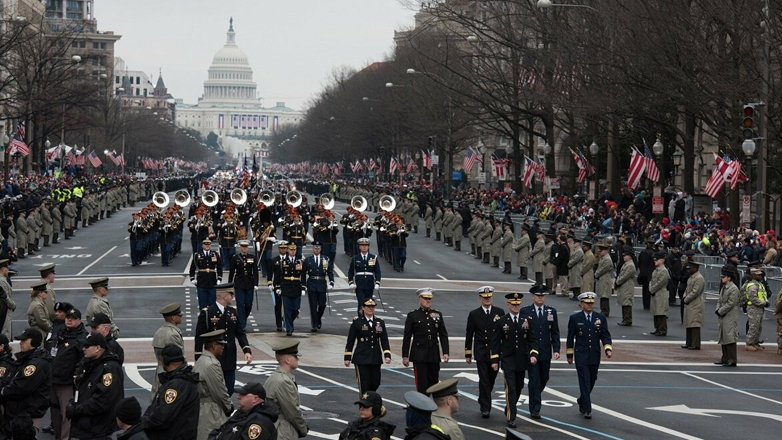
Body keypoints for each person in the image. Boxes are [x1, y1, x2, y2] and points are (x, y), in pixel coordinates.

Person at [490, 292, 538, 428]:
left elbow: (532, 339)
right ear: (508, 305)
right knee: (510, 388)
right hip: (507, 359)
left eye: (518, 305)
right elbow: (495, 342)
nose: (516, 307)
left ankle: (510, 407)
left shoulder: (526, 320)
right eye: (513, 304)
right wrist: (495, 360)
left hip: (522, 359)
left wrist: (534, 354)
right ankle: (512, 417)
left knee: (518, 387)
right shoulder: (501, 321)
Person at [195, 283, 253, 395]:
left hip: (230, 357)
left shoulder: (232, 312)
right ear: (224, 296)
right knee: (215, 389)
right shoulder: (208, 313)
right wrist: (198, 357)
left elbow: (240, 333)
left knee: (229, 389)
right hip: (214, 357)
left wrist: (246, 350)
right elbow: (199, 336)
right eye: (231, 295)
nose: (232, 298)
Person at [67, 332, 124, 440]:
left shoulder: (109, 368)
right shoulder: (89, 364)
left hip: (98, 428)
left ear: (98, 348)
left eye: (87, 346)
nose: (83, 349)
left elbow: (103, 400)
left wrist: (77, 409)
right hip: (85, 425)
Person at [566, 292, 613, 419]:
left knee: (592, 380)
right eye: (587, 303)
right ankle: (587, 409)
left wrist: (607, 348)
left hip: (594, 355)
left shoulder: (600, 318)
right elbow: (570, 338)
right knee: (584, 381)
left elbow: (605, 335)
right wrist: (569, 354)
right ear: (581, 304)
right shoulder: (575, 318)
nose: (590, 305)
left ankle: (582, 400)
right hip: (581, 355)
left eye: (592, 303)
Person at [1, 328, 52, 439]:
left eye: (24, 340)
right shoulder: (25, 358)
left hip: (28, 415)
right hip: (19, 413)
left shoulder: (36, 364)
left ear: (33, 342)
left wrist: (3, 391)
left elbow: (21, 387)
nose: (21, 343)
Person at [142, 344, 199, 440]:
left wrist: (142, 423)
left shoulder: (176, 385)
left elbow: (162, 416)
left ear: (167, 361)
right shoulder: (177, 380)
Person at [464, 286, 504, 418]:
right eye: (485, 297)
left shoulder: (499, 312)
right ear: (480, 298)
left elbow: (503, 333)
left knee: (491, 378)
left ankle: (483, 398)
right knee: (484, 380)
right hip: (481, 351)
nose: (487, 299)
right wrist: (468, 353)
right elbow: (469, 334)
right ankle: (485, 407)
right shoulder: (474, 314)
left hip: (495, 352)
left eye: (489, 297)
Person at [49, 306, 88, 440]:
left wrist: (76, 376)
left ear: (79, 321)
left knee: (67, 414)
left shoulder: (82, 338)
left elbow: (83, 360)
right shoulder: (60, 331)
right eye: (68, 318)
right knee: (55, 412)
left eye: (73, 319)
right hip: (53, 379)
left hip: (67, 382)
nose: (69, 321)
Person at [522, 285, 559, 419]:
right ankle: (535, 408)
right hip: (531, 352)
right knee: (534, 379)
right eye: (538, 296)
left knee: (544, 378)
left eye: (542, 296)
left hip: (545, 351)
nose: (540, 298)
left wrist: (556, 349)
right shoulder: (526, 311)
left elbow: (554, 332)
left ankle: (535, 394)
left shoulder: (551, 311)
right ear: (533, 297)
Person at [402, 288, 450, 394]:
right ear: (420, 299)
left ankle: (430, 404)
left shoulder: (437, 315)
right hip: (419, 353)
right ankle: (422, 405)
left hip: (433, 352)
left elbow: (443, 335)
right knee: (422, 383)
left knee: (434, 380)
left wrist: (445, 352)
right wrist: (405, 356)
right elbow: (407, 337)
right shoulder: (413, 316)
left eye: (429, 299)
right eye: (425, 299)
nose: (428, 301)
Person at [344, 298, 391, 394]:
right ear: (363, 308)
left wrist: (387, 354)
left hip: (375, 356)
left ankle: (369, 399)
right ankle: (365, 404)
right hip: (361, 356)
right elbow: (351, 340)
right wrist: (347, 356)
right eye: (368, 306)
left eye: (372, 306)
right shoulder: (357, 322)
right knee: (364, 384)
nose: (371, 308)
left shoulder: (379, 322)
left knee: (376, 382)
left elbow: (384, 339)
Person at [264, 340, 308, 439]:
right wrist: (303, 429)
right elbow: (293, 412)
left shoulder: (275, 377)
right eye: (295, 356)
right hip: (283, 431)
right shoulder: (284, 381)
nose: (297, 359)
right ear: (287, 360)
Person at [194, 330, 232, 440]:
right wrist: (228, 407)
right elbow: (219, 391)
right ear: (214, 346)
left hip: (201, 409)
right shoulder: (211, 364)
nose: (223, 347)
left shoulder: (201, 360)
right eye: (221, 344)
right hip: (211, 411)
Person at [209, 382, 278, 440]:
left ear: (255, 398)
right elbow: (219, 430)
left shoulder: (259, 422)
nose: (238, 397)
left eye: (243, 394)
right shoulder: (242, 413)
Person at [151, 302, 185, 398]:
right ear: (173, 318)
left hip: (161, 370)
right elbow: (179, 357)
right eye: (179, 315)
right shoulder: (172, 334)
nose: (181, 317)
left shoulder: (160, 331)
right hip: (171, 374)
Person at [228, 240, 259, 330]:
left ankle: (242, 319)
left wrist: (256, 284)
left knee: (248, 304)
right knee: (240, 304)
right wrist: (230, 284)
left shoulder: (252, 257)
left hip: (249, 282)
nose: (244, 248)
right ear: (240, 247)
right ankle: (242, 324)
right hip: (239, 283)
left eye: (246, 247)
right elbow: (232, 272)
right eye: (243, 247)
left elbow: (255, 271)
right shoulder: (235, 258)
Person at [304, 242, 334, 332]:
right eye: (315, 248)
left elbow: (330, 271)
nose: (316, 250)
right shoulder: (308, 260)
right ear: (313, 249)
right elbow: (303, 273)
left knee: (322, 304)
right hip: (312, 283)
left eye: (318, 248)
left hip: (321, 283)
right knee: (313, 305)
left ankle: (318, 317)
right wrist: (303, 285)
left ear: (320, 249)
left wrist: (331, 282)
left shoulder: (325, 259)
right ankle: (314, 324)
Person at [348, 237, 381, 314]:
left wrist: (377, 282)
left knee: (368, 302)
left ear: (368, 246)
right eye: (362, 245)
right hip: (359, 283)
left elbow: (377, 271)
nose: (364, 247)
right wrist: (351, 282)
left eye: (366, 245)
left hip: (369, 283)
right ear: (359, 247)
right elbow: (351, 271)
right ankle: (360, 320)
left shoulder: (373, 257)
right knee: (361, 302)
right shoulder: (355, 258)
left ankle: (367, 317)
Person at [715, 265, 740, 366]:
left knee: (730, 337)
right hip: (723, 315)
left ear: (729, 277)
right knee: (723, 336)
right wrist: (718, 309)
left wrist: (720, 311)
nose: (722, 278)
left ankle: (732, 359)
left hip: (730, 315)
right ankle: (724, 357)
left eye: (724, 276)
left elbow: (731, 303)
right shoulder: (724, 288)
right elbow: (720, 300)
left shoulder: (733, 289)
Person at [190, 239, 224, 309]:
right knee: (202, 304)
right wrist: (192, 278)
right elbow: (192, 268)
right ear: (202, 245)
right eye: (206, 244)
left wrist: (219, 278)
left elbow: (219, 267)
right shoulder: (198, 255)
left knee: (212, 303)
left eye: (209, 244)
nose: (207, 246)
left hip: (212, 280)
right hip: (202, 280)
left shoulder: (215, 254)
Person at [744, 267, 769, 351]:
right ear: (753, 275)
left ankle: (755, 342)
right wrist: (764, 303)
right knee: (753, 326)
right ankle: (749, 343)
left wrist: (765, 302)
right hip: (753, 308)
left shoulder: (759, 284)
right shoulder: (752, 286)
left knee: (758, 327)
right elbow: (753, 298)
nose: (761, 276)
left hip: (759, 308)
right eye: (758, 275)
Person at [682, 261, 705, 350]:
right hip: (690, 302)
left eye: (690, 268)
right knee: (689, 322)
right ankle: (689, 342)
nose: (688, 270)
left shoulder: (699, 278)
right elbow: (687, 289)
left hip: (695, 303)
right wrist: (684, 297)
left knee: (694, 324)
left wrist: (686, 299)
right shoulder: (691, 277)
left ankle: (695, 343)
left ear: (695, 268)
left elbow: (695, 292)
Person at [267, 241, 289, 331]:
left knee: (289, 306)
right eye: (281, 248)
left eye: (284, 248)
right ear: (278, 249)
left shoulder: (289, 259)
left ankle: (287, 321)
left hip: (288, 286)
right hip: (278, 286)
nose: (283, 250)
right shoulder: (274, 260)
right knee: (278, 306)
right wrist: (270, 284)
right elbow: (270, 273)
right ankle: (279, 324)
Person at [649, 251, 671, 336]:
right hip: (655, 293)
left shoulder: (664, 271)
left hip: (661, 293)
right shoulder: (656, 270)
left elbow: (661, 282)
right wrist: (651, 288)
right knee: (656, 311)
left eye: (657, 260)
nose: (655, 261)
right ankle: (657, 328)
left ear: (662, 260)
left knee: (661, 312)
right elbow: (651, 281)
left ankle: (662, 329)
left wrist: (652, 289)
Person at [615, 245, 636, 326]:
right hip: (624, 285)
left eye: (625, 255)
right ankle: (625, 318)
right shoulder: (626, 264)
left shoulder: (630, 265)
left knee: (627, 302)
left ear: (629, 256)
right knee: (624, 302)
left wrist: (618, 281)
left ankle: (627, 319)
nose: (623, 257)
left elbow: (625, 276)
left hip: (627, 285)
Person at [593, 241, 614, 317]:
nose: (599, 252)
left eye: (601, 251)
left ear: (605, 251)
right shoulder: (603, 258)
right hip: (602, 278)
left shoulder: (607, 259)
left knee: (604, 295)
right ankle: (603, 310)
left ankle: (605, 311)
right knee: (602, 295)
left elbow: (603, 269)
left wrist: (596, 274)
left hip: (605, 278)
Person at [637, 237, 656, 310]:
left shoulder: (642, 252)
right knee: (649, 289)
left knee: (644, 288)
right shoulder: (653, 253)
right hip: (649, 273)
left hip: (643, 272)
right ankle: (648, 304)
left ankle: (645, 304)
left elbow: (639, 262)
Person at [0, 259, 15, 340]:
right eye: (7, 268)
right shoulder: (1, 281)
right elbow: (5, 296)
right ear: (3, 269)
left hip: (5, 310)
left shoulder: (3, 280)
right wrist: (13, 305)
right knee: (5, 334)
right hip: (5, 310)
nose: (8, 270)